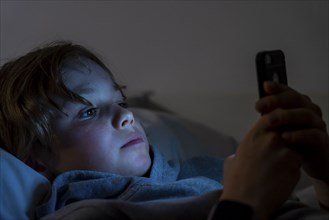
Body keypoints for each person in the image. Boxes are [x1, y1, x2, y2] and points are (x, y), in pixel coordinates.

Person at [0, 41, 328, 220]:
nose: (125, 117)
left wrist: (323, 174)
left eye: (120, 101)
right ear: (36, 160)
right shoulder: (92, 213)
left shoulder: (205, 168)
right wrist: (244, 204)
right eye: (89, 111)